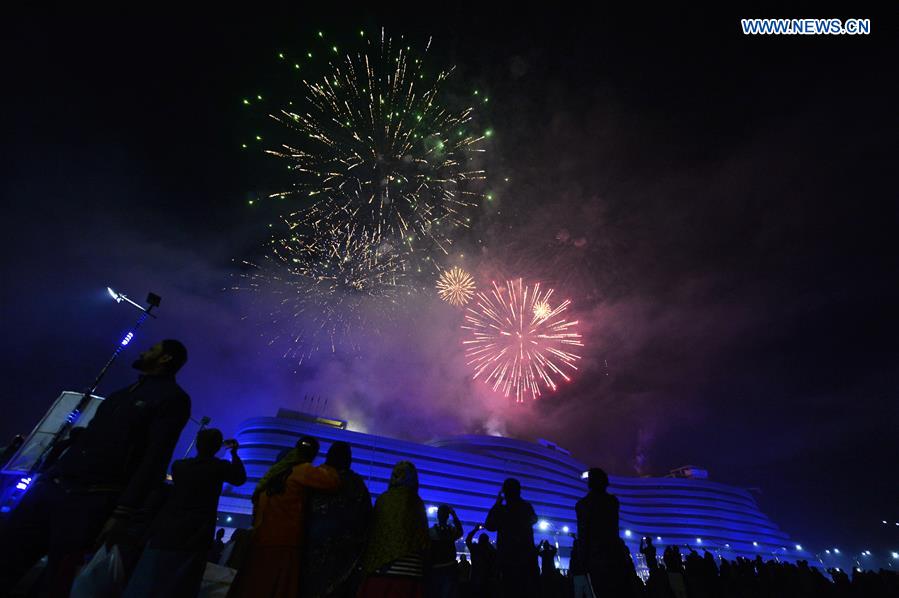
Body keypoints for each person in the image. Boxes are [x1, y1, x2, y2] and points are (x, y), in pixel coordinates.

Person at [0, 340, 191, 597]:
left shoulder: (172, 399)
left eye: (152, 349)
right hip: (51, 489)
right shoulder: (120, 396)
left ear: (166, 358)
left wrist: (123, 511)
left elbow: (155, 457)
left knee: (54, 582)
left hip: (90, 500)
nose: (145, 350)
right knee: (7, 559)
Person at [122, 428, 246, 597]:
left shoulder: (179, 466)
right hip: (197, 532)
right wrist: (234, 454)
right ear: (218, 447)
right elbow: (240, 478)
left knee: (153, 577)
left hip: (168, 528)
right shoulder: (219, 467)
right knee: (184, 582)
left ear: (197, 443)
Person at [226, 435, 339, 598]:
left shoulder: (268, 480)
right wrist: (330, 466)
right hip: (284, 546)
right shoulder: (301, 470)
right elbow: (332, 482)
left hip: (259, 545)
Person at [301, 441, 372, 598]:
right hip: (345, 557)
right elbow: (366, 518)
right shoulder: (356, 483)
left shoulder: (316, 475)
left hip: (310, 551)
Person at [357, 461, 429, 598]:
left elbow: (371, 533)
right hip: (410, 572)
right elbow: (423, 540)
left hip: (379, 570)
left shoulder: (383, 500)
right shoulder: (416, 502)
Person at [484, 478, 539, 598]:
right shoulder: (526, 507)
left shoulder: (502, 510)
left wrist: (497, 503)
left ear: (505, 492)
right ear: (519, 491)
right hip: (526, 560)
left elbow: (489, 525)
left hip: (507, 560)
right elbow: (534, 519)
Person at [426, 504, 463, 598]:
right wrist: (454, 515)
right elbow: (460, 532)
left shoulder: (431, 532)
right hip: (449, 568)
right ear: (448, 516)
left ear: (438, 515)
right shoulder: (451, 531)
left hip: (435, 568)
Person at [464, 525, 496, 598]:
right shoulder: (490, 551)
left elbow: (468, 540)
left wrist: (475, 530)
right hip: (487, 579)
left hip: (475, 577)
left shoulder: (475, 548)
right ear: (487, 541)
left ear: (479, 540)